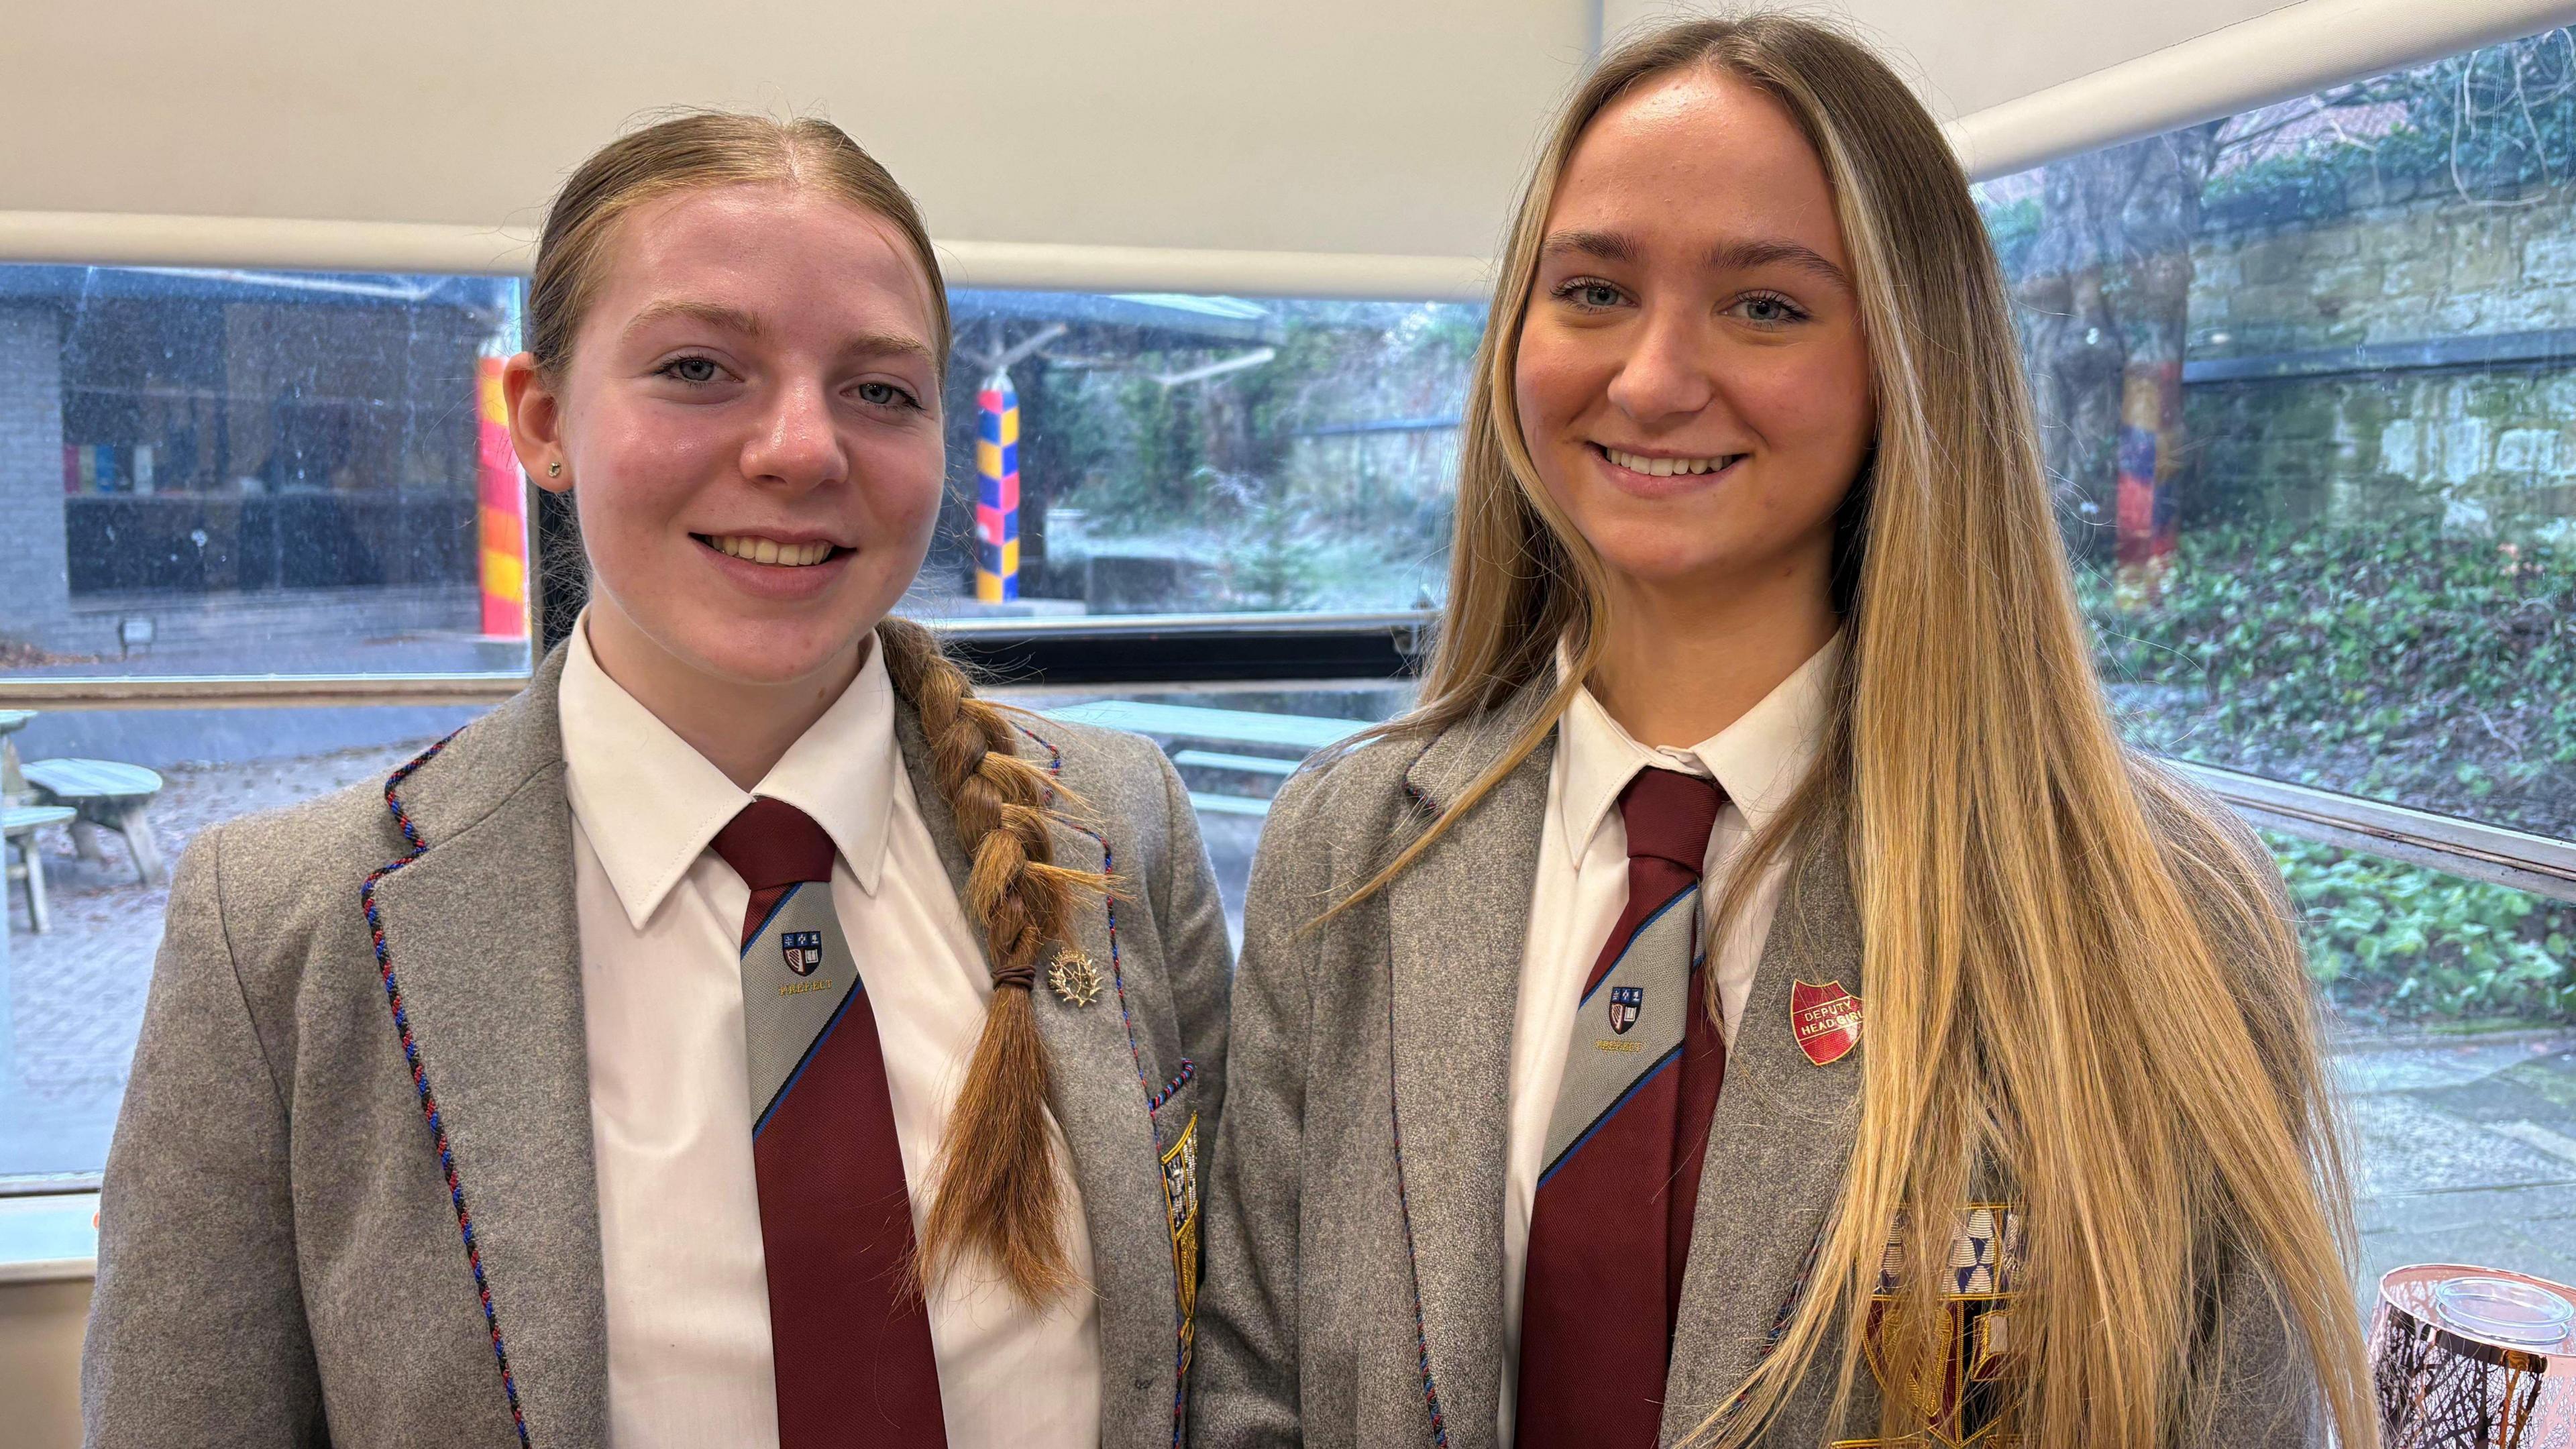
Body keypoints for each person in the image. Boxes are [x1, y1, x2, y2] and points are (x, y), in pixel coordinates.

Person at [1190, 16, 2370, 1448]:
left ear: (1907, 362)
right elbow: (1251, 1395)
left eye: (1766, 307)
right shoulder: (1354, 846)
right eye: (1594, 290)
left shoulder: (2152, 921)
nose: (1651, 379)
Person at [83, 113, 1230, 1449]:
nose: (802, 448)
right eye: (700, 368)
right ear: (545, 421)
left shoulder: (1116, 829)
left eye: (880, 390)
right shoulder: (282, 930)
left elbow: (1225, 1369)